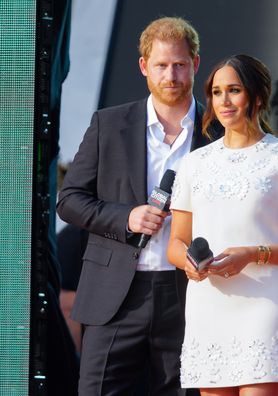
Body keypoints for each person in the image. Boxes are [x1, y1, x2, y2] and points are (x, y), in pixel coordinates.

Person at [57, 16, 222, 395]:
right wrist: (125, 217)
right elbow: (70, 200)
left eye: (180, 64)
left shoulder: (217, 133)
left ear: (195, 64)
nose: (171, 75)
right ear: (144, 67)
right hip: (115, 296)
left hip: (190, 294)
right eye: (162, 65)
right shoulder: (109, 124)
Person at [167, 54, 278, 396]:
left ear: (255, 96)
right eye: (216, 91)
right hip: (209, 304)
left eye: (234, 90)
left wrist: (254, 253)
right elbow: (176, 243)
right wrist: (190, 265)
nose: (223, 101)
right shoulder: (193, 165)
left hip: (267, 304)